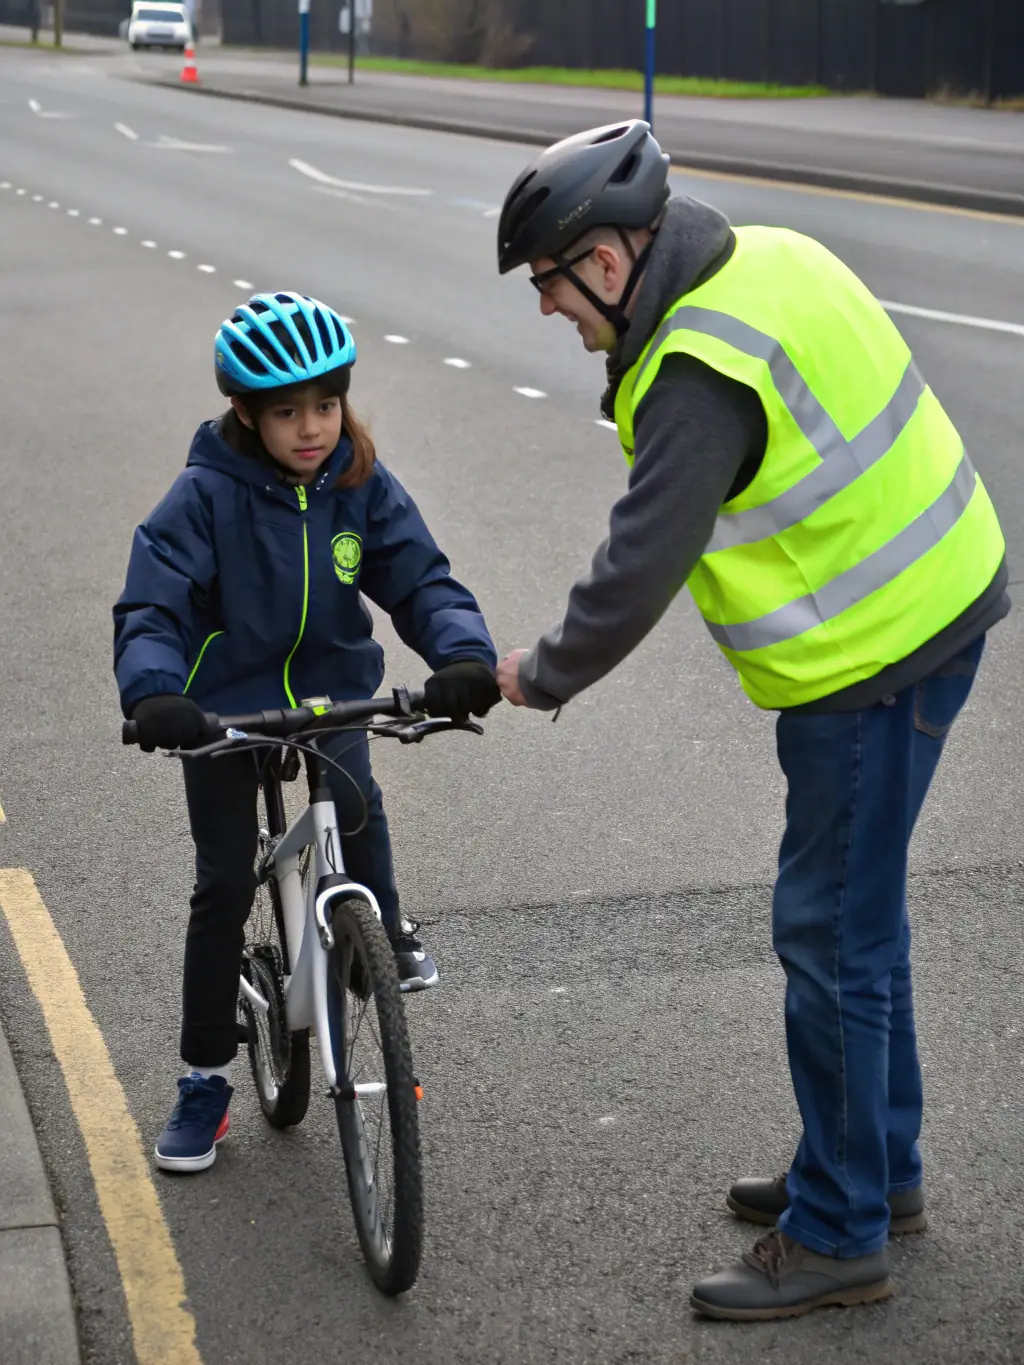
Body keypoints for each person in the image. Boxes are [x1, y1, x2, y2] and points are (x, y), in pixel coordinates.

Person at [494, 121, 1009, 1321]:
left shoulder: (694, 373)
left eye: (549, 284)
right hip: (935, 603)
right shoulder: (762, 256)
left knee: (827, 934)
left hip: (874, 657)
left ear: (610, 264)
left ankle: (838, 1233)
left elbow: (636, 570)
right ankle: (877, 1174)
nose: (546, 311)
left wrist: (541, 673)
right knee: (860, 928)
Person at [113, 291, 500, 1173]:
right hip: (222, 710)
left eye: (326, 405)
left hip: (329, 694)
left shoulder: (358, 482)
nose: (313, 427)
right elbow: (153, 603)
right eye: (287, 411)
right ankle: (206, 1078)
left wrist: (462, 658)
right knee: (220, 885)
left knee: (358, 811)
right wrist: (155, 692)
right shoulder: (205, 495)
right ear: (245, 413)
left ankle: (384, 930)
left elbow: (421, 578)